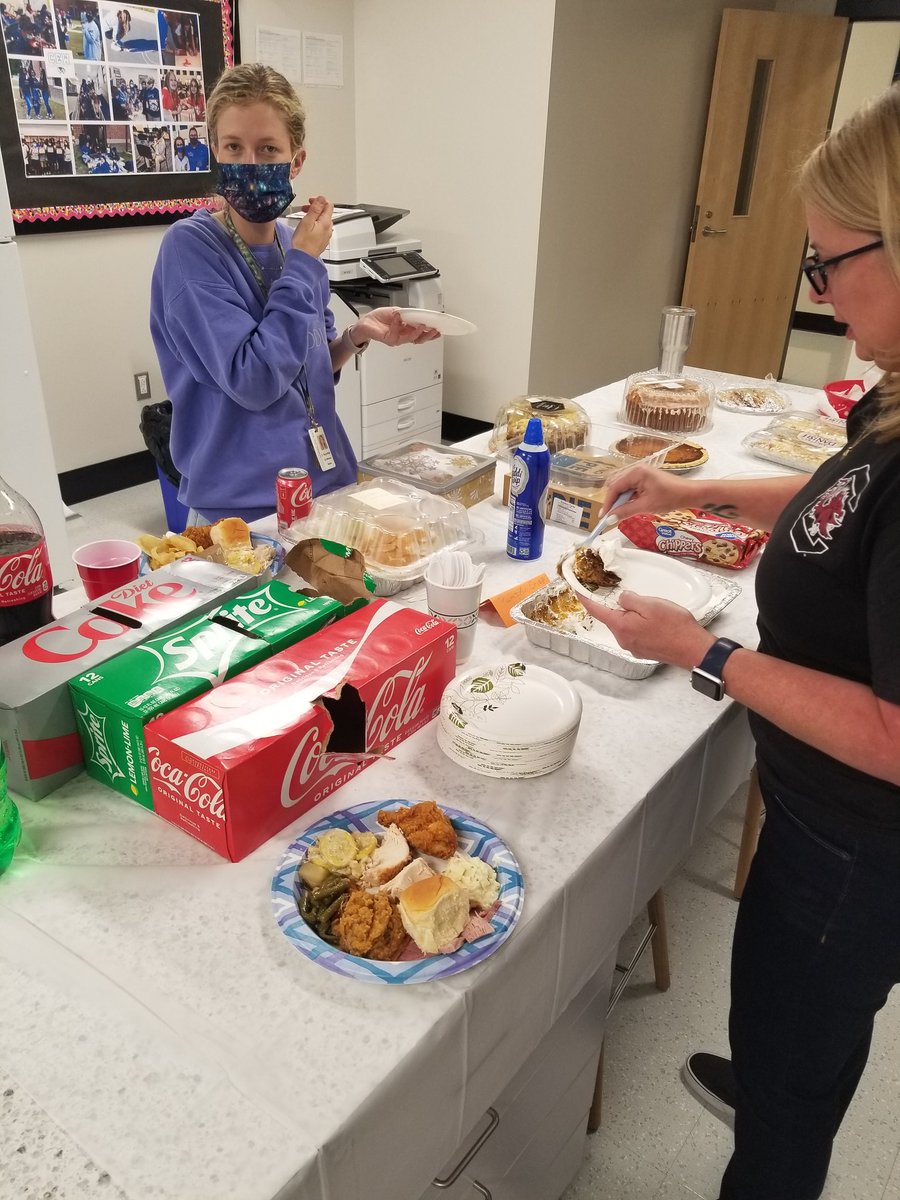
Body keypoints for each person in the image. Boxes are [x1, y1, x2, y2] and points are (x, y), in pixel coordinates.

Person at [586, 83, 900, 1200]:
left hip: (860, 849)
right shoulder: (893, 398)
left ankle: (776, 1132)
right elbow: (833, 505)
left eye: (828, 263)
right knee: (793, 1016)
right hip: (820, 819)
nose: (819, 293)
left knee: (796, 1071)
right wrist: (694, 489)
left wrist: (706, 654)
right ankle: (776, 1074)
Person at [150, 62, 440, 524]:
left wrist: (354, 337)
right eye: (234, 147)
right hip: (245, 510)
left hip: (325, 487)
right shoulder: (191, 249)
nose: (250, 164)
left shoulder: (293, 245)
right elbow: (255, 380)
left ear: (296, 161)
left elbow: (303, 366)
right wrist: (305, 261)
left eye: (268, 149)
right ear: (215, 151)